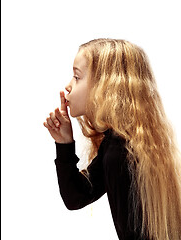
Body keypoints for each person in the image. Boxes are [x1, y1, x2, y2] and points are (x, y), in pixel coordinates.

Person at [44, 38, 181, 239]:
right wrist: (64, 144)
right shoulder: (120, 144)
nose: (68, 86)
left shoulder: (121, 152)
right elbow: (76, 196)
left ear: (105, 86)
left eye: (77, 77)